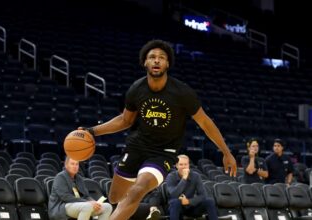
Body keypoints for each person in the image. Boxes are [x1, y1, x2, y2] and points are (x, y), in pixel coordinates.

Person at [80, 39, 237, 220]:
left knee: (137, 190)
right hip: (136, 147)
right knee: (116, 197)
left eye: (161, 57)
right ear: (145, 62)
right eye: (152, 57)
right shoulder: (136, 89)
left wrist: (226, 152)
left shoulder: (182, 92)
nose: (156, 60)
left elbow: (205, 122)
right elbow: (125, 120)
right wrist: (92, 131)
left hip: (163, 152)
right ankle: (146, 212)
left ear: (167, 63)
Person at [48, 157, 113, 220]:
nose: (75, 166)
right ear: (66, 165)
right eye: (72, 164)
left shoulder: (79, 178)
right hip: (61, 207)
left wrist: (94, 202)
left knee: (107, 207)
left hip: (80, 204)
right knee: (87, 206)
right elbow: (65, 197)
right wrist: (88, 202)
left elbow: (86, 196)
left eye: (77, 164)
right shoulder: (60, 177)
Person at [166, 154, 218, 220]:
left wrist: (188, 201)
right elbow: (173, 194)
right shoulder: (171, 176)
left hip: (191, 206)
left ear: (188, 165)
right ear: (176, 166)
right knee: (175, 202)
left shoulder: (195, 176)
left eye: (186, 164)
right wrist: (184, 178)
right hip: (176, 207)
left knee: (209, 201)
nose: (184, 167)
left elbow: (203, 195)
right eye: (181, 164)